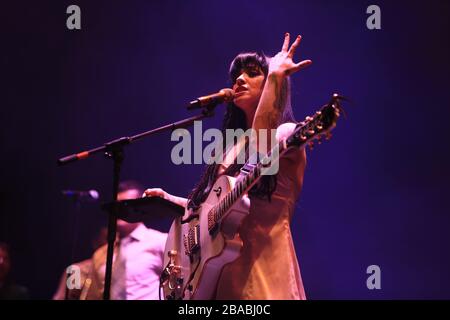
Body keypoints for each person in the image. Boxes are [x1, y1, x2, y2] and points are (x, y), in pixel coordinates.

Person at [144, 33, 311, 299]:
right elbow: (210, 208)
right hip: (220, 275)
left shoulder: (287, 132)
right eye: (236, 76)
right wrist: (171, 200)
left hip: (264, 268)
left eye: (253, 73)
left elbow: (261, 143)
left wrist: (277, 76)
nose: (240, 80)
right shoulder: (231, 147)